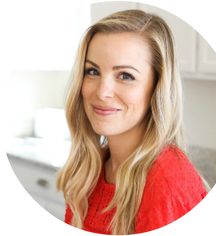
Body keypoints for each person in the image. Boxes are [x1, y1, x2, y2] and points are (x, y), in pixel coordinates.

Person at [56, 9, 207, 235]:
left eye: (125, 75)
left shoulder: (166, 181)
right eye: (92, 71)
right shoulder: (89, 170)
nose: (102, 91)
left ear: (157, 88)